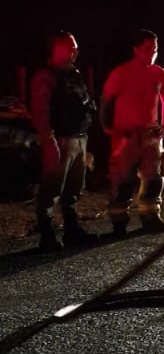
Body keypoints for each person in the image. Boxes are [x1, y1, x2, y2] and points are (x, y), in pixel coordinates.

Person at [100, 29, 164, 235]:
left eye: (155, 49)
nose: (152, 53)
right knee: (121, 178)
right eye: (148, 49)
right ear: (136, 50)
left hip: (151, 134)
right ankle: (119, 222)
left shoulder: (159, 73)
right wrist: (107, 126)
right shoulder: (121, 73)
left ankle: (150, 216)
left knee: (154, 177)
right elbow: (106, 100)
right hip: (125, 134)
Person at [29, 30, 97, 252]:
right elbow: (40, 112)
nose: (74, 51)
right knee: (51, 188)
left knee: (74, 188)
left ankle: (72, 230)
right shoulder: (45, 77)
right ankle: (47, 235)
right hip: (60, 140)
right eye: (69, 47)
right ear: (55, 49)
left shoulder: (73, 74)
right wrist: (49, 142)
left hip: (78, 139)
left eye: (75, 47)